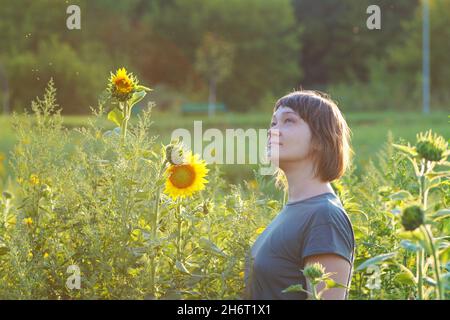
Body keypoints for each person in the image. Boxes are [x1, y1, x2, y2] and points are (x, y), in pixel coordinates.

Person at [244, 90, 355, 300]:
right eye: (274, 123)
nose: (273, 131)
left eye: (288, 121)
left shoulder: (324, 216)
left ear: (320, 140)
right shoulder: (293, 211)